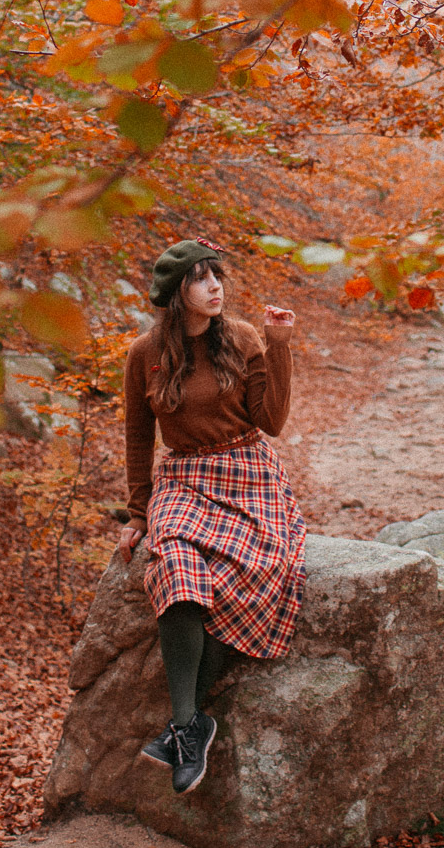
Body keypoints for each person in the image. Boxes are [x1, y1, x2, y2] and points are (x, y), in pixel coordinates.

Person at [118, 237, 306, 796]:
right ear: (178, 293)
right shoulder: (145, 353)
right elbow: (137, 433)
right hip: (184, 477)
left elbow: (270, 421)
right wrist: (137, 512)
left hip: (248, 470)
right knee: (175, 566)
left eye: (217, 276)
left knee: (245, 572)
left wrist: (278, 347)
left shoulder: (244, 337)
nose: (216, 287)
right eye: (202, 279)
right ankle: (189, 726)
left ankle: (181, 731)